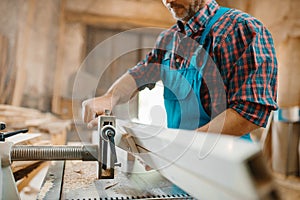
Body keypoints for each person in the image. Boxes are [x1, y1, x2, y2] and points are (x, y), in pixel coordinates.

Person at [82, 0, 278, 140]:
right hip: (180, 164)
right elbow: (141, 73)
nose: (168, 1)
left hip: (224, 166)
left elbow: (251, 111)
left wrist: (185, 147)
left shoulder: (241, 29)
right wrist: (109, 97)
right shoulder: (169, 39)